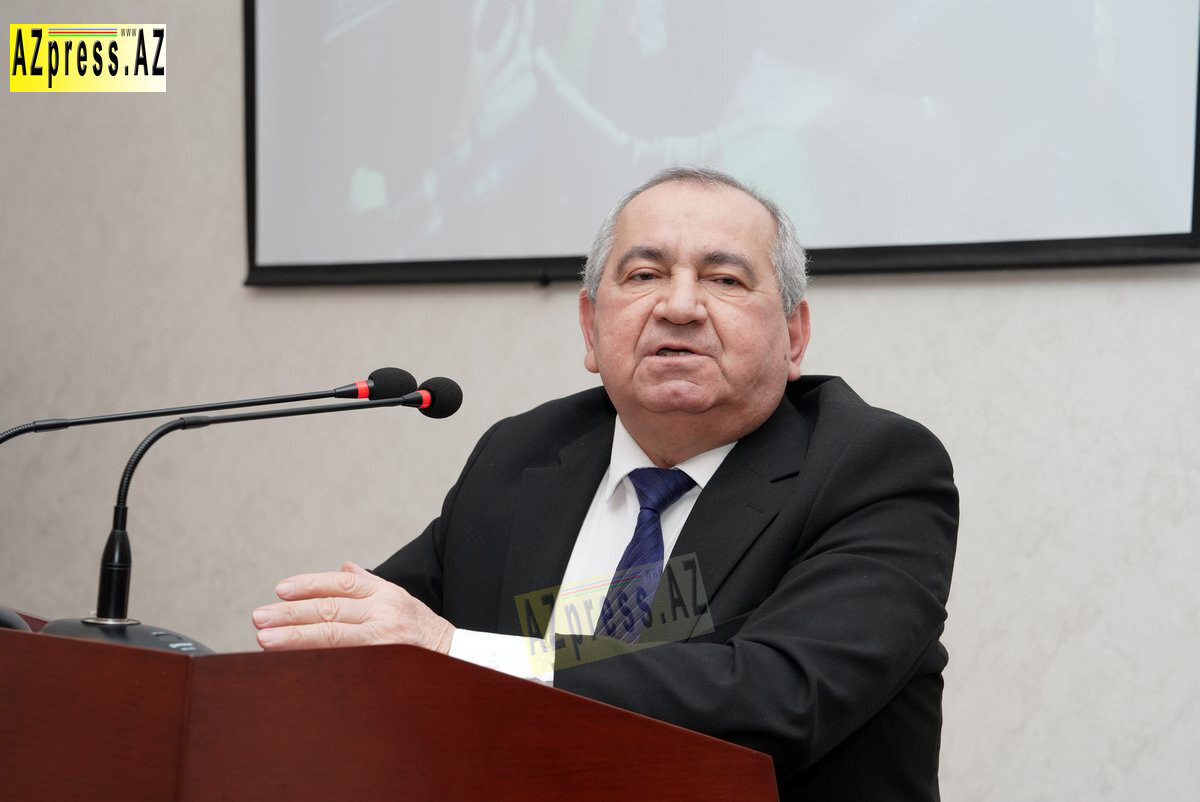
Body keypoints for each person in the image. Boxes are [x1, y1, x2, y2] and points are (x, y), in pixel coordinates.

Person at [252, 167, 958, 800]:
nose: (679, 306)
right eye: (644, 275)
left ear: (794, 336)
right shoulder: (523, 457)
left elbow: (782, 697)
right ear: (591, 327)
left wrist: (453, 651)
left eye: (724, 279)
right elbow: (376, 640)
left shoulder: (873, 469)